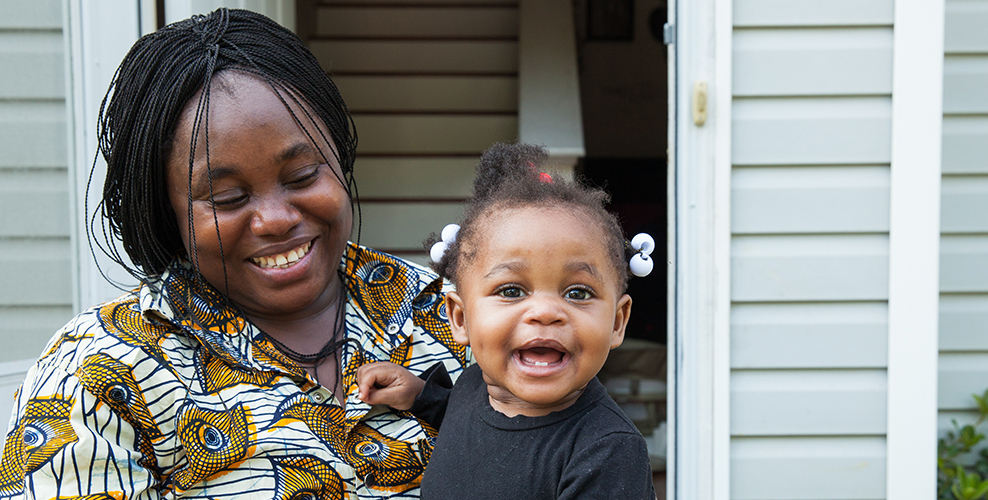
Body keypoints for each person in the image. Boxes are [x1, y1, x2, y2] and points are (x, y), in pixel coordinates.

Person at [0, 8, 467, 500]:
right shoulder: (100, 372)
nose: (276, 219)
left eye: (304, 175)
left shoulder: (457, 315)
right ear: (166, 210)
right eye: (228, 199)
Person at [359, 143, 657, 499]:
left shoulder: (607, 450)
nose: (545, 312)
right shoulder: (475, 386)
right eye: (512, 290)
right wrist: (418, 395)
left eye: (577, 293)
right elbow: (468, 425)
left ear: (617, 322)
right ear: (461, 318)